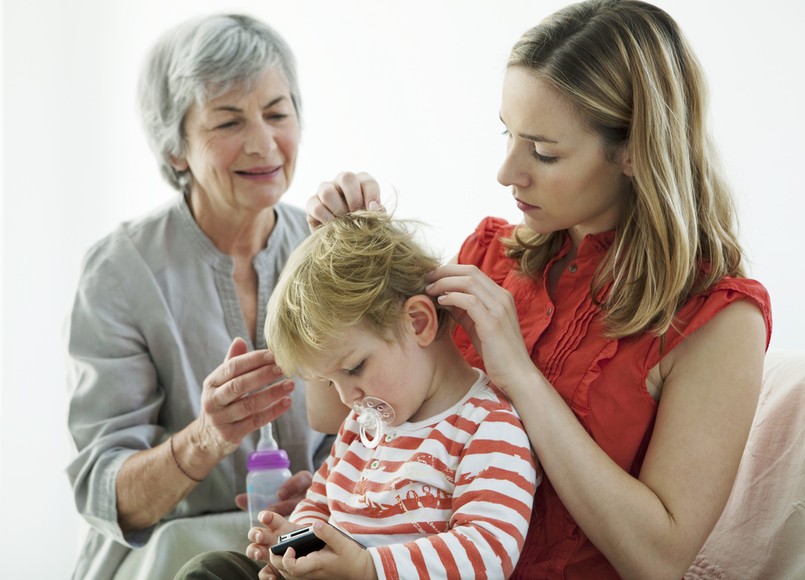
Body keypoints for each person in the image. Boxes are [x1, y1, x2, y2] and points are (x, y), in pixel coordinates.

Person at [302, 1, 772, 578]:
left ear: (635, 151)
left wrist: (521, 376)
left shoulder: (718, 321)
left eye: (544, 152)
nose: (507, 172)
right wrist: (334, 273)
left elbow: (659, 559)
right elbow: (335, 413)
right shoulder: (488, 256)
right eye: (509, 134)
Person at [65, 14, 332, 580]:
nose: (264, 143)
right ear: (176, 150)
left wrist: (326, 488)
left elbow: (380, 426)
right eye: (228, 121)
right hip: (167, 561)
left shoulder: (323, 247)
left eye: (278, 113)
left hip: (304, 551)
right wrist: (206, 438)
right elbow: (105, 494)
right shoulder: (119, 272)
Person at [176, 210, 538, 579]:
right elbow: (319, 505)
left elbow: (487, 552)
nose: (347, 397)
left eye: (354, 369)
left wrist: (368, 569)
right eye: (330, 382)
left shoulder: (488, 426)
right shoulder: (361, 426)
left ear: (419, 322)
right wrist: (293, 550)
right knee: (211, 570)